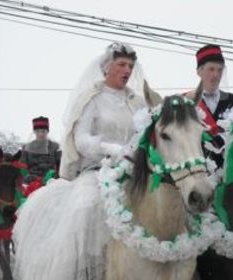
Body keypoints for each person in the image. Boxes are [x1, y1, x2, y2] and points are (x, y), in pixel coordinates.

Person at [13, 42, 146, 280]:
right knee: (86, 208)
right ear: (107, 67)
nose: (127, 70)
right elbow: (82, 139)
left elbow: (144, 135)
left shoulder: (136, 103)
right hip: (97, 171)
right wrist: (111, 149)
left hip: (134, 170)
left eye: (130, 66)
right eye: (122, 64)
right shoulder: (92, 98)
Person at [186, 44, 233, 168]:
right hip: (196, 174)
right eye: (211, 69)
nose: (216, 75)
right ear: (199, 71)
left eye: (219, 70)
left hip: (226, 175)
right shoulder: (186, 102)